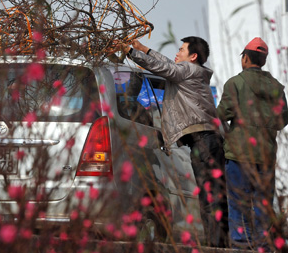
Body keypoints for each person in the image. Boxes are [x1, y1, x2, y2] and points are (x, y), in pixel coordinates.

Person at [118, 36, 229, 247]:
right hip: (206, 141)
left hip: (205, 141)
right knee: (211, 197)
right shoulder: (190, 72)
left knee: (211, 198)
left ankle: (217, 247)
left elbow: (166, 68)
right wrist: (144, 49)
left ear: (193, 56)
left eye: (181, 50)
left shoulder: (189, 71)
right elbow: (168, 65)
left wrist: (131, 53)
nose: (176, 53)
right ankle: (218, 245)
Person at [216, 37, 288, 250]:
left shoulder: (235, 83)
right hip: (265, 157)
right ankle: (262, 248)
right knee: (262, 207)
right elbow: (283, 119)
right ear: (263, 61)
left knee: (238, 205)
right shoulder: (277, 88)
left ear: (245, 58)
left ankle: (241, 247)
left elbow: (221, 114)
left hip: (239, 155)